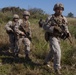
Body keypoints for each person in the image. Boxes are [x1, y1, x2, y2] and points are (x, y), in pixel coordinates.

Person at [42, 3, 71, 74]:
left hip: (59, 37)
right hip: (52, 36)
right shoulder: (50, 17)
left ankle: (46, 62)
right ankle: (57, 68)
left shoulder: (64, 18)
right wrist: (53, 28)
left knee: (52, 51)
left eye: (61, 9)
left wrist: (67, 33)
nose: (60, 11)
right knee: (57, 52)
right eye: (58, 9)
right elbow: (44, 27)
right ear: (55, 9)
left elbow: (65, 27)